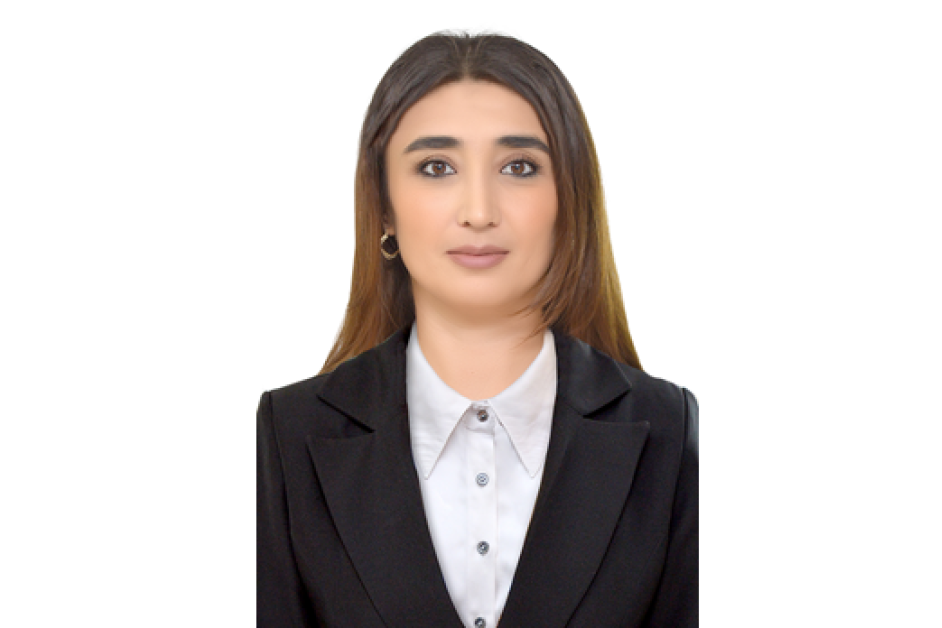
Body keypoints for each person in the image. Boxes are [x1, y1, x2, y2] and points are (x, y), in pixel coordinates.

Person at [257, 31, 698, 628]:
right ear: (384, 206)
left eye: (519, 167)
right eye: (436, 167)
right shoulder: (285, 437)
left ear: (568, 198)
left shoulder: (671, 434)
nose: (479, 211)